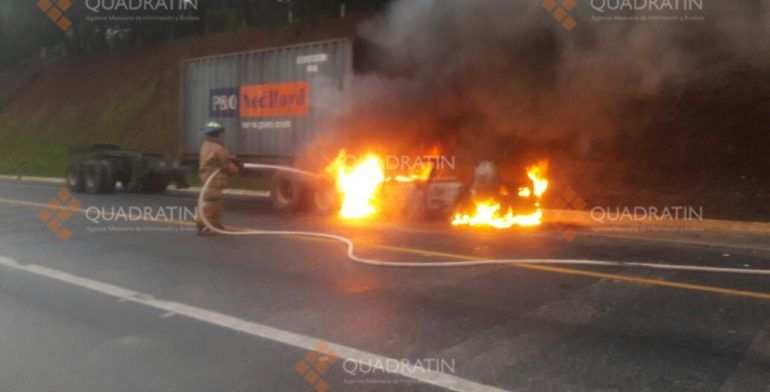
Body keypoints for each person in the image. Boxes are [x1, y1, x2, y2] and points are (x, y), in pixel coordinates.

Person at [196, 121, 239, 235]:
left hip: (207, 177)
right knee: (211, 200)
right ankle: (204, 224)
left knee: (216, 201)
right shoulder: (218, 148)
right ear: (218, 134)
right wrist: (234, 168)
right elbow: (226, 165)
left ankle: (216, 224)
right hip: (214, 179)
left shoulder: (205, 146)